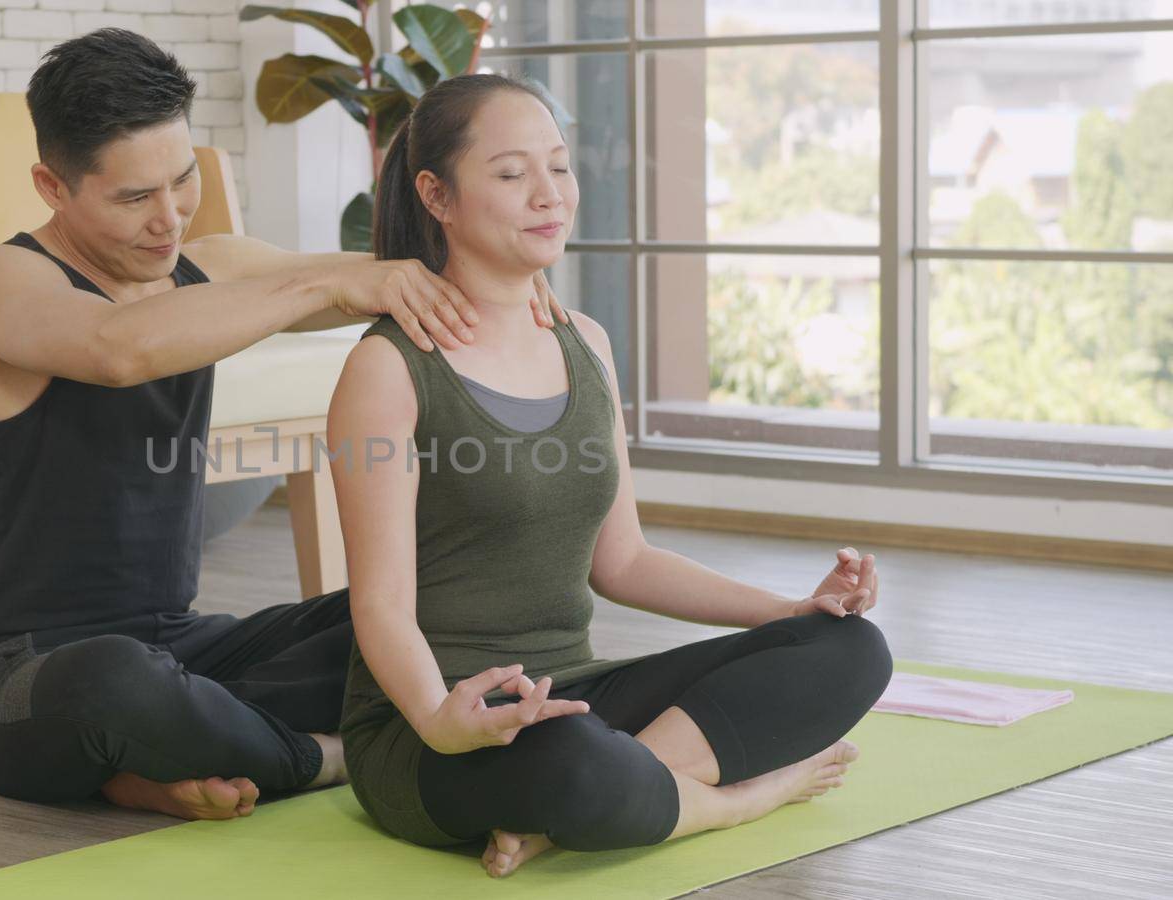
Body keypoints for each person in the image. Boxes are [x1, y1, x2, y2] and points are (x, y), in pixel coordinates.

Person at [0, 30, 574, 821]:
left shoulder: (215, 263)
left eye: (182, 182)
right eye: (134, 198)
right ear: (52, 186)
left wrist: (513, 288)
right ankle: (328, 759)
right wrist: (332, 278)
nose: (168, 221)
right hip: (21, 675)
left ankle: (168, 758)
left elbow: (389, 282)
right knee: (115, 684)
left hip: (188, 652)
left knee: (446, 605)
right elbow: (119, 349)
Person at [327, 72, 895, 877]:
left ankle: (603, 800)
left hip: (574, 696)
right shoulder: (387, 369)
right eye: (511, 172)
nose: (547, 194)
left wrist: (789, 611)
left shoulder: (584, 343)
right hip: (436, 730)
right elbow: (379, 603)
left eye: (558, 167)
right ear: (437, 195)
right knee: (573, 759)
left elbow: (622, 559)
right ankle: (745, 796)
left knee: (852, 649)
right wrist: (436, 717)